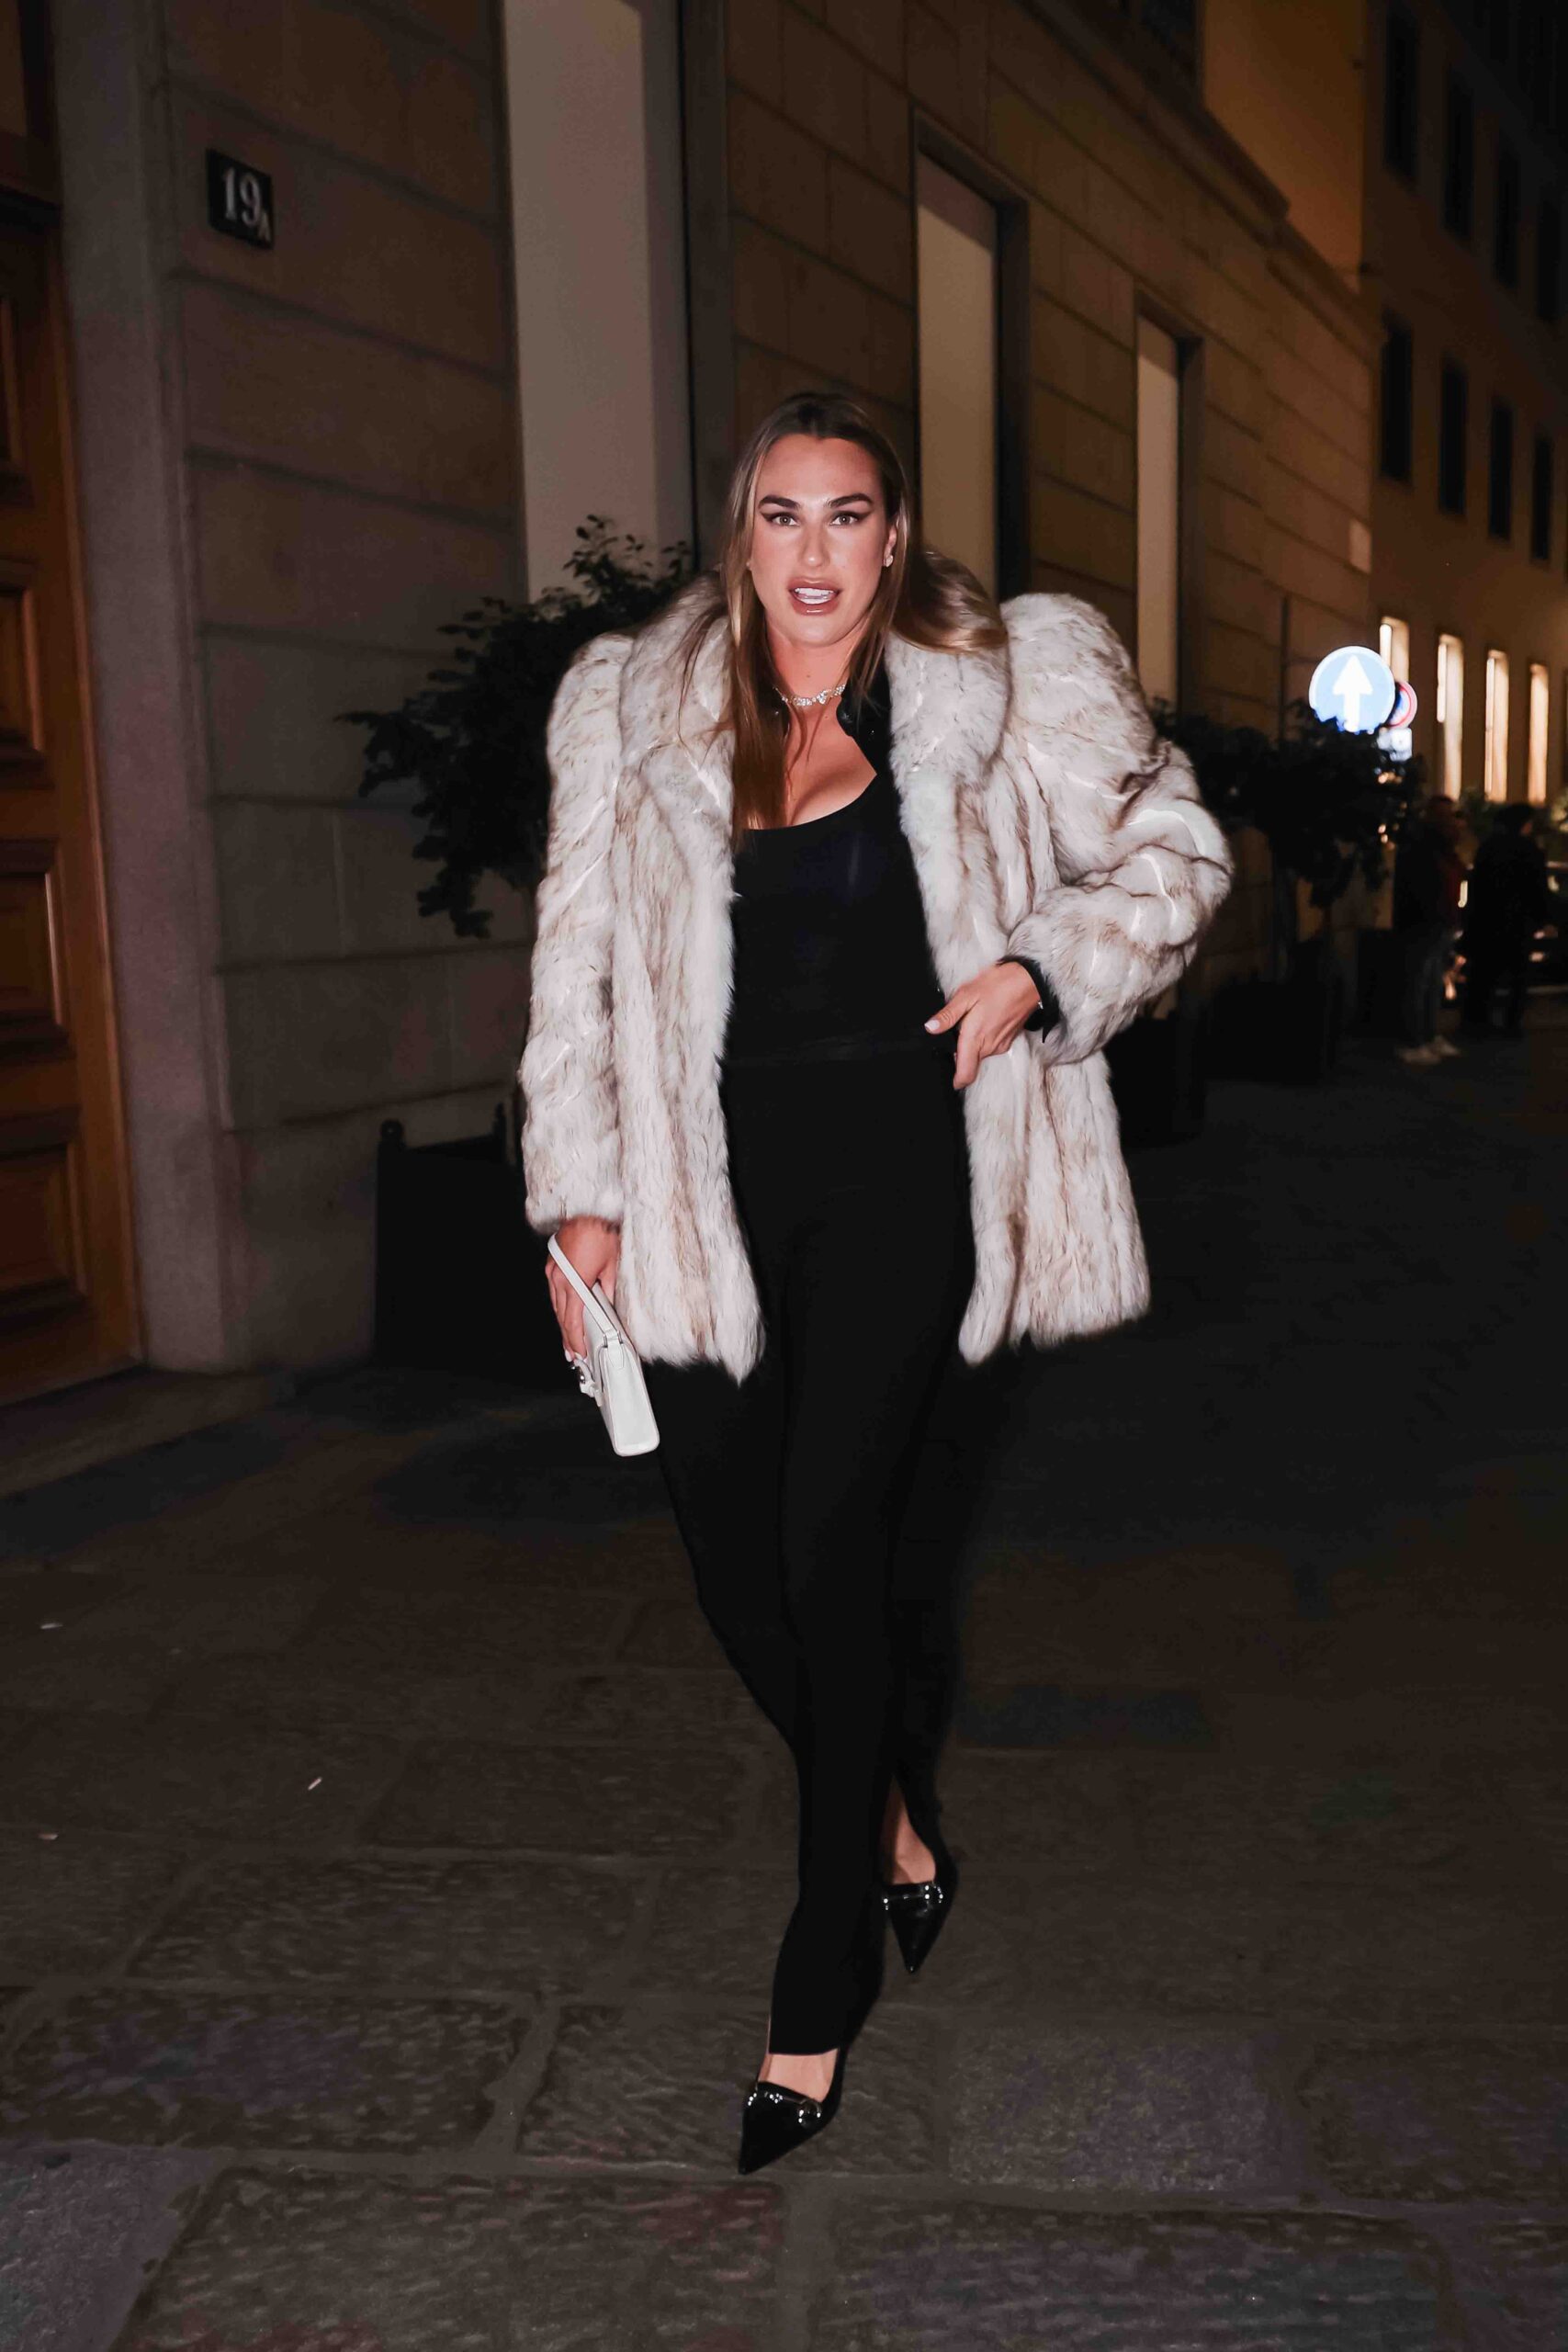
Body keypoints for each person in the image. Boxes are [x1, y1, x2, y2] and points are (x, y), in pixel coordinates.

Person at [518, 390, 1232, 2174]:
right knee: (732, 1569)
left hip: (914, 1182)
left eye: (847, 516)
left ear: (893, 536)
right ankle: (898, 1830)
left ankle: (817, 1969)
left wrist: (1040, 966)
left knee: (830, 1559)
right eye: (782, 515)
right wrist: (577, 1200)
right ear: (739, 534)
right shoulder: (638, 707)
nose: (814, 552)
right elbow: (575, 966)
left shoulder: (1002, 682)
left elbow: (1176, 852)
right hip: (702, 1195)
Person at [1461, 803, 1556, 1035]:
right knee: (1518, 976)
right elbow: (1537, 888)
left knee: (1484, 973)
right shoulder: (1528, 850)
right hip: (1518, 922)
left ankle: (1476, 1020)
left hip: (1488, 920)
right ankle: (1511, 1022)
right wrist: (1544, 918)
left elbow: (1477, 886)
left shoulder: (1488, 847)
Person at [1393, 793, 1467, 1067]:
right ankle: (1414, 1040)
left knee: (1432, 981)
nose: (1452, 821)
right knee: (1418, 982)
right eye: (1445, 816)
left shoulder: (1442, 849)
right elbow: (1422, 888)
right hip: (1424, 922)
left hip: (1439, 921)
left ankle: (1427, 1035)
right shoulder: (1421, 849)